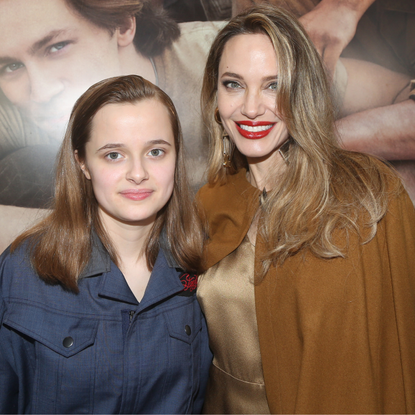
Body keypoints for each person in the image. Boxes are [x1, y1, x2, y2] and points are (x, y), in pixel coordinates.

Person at [197, 6, 415, 413]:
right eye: (233, 84)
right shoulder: (207, 204)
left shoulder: (368, 194)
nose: (250, 107)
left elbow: (399, 349)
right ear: (214, 97)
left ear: (304, 90)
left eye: (273, 85)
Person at [0, 75, 211, 414]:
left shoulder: (202, 266)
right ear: (82, 162)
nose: (138, 173)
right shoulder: (23, 269)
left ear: (176, 157)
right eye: (114, 155)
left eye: (156, 152)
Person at [0, 0, 222, 252]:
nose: (40, 93)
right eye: (12, 66)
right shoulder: (18, 110)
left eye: (57, 47)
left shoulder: (222, 63)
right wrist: (71, 232)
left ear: (123, 24)